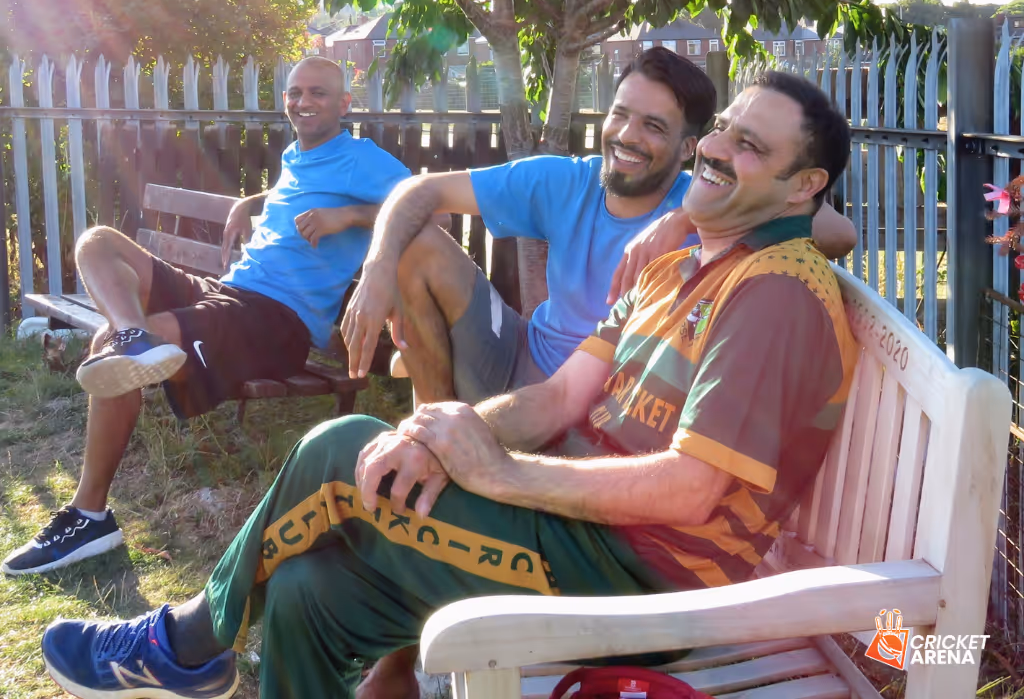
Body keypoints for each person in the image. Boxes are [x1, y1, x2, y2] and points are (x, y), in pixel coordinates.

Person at [41, 70, 860, 699]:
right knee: (306, 590)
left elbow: (690, 491)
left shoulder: (774, 293)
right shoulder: (678, 260)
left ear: (803, 186)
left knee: (337, 450)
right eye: (720, 132)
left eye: (750, 147)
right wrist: (443, 435)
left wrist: (499, 471)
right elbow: (559, 397)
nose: (718, 150)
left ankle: (184, 643)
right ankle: (200, 645)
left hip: (645, 581)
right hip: (575, 526)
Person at [2, 57, 412, 577]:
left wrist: (351, 216)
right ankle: (134, 337)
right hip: (227, 292)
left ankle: (90, 515)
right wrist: (253, 200)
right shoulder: (297, 153)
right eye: (294, 93)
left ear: (345, 104)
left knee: (107, 346)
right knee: (99, 244)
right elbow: (299, 192)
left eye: (318, 94)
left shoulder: (364, 160)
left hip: (274, 320)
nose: (303, 102)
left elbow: (433, 209)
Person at [341, 47, 858, 404]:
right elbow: (419, 190)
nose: (627, 136)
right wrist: (378, 269)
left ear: (687, 148)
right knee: (416, 245)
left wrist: (681, 221)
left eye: (653, 126)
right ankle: (432, 434)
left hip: (604, 401)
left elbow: (839, 234)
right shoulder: (565, 180)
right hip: (520, 356)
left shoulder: (711, 201)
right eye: (620, 114)